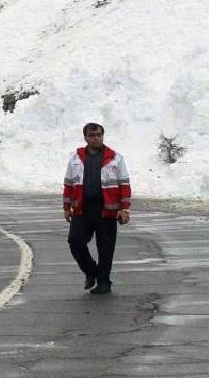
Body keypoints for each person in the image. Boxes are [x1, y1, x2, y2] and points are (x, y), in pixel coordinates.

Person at [62, 122, 131, 295]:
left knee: (106, 248)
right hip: (82, 209)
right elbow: (69, 184)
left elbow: (124, 184)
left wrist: (125, 209)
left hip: (107, 210)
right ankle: (91, 271)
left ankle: (104, 282)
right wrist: (66, 206)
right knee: (75, 242)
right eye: (92, 135)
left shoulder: (115, 158)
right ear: (85, 137)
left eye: (99, 135)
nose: (96, 138)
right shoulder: (75, 158)